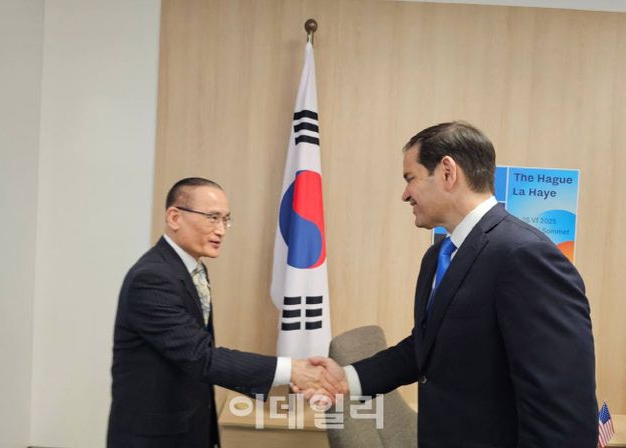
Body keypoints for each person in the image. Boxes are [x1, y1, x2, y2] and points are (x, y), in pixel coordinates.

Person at [311, 121, 598, 447]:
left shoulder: (524, 255)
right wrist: (347, 378)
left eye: (410, 178)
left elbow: (561, 409)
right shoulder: (438, 256)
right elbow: (427, 347)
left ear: (448, 172)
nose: (405, 194)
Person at [107, 177, 344, 448]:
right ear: (174, 217)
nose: (221, 230)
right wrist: (292, 370)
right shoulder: (152, 278)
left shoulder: (192, 269)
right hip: (153, 436)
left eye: (225, 219)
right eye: (212, 218)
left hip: (188, 425)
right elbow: (200, 356)